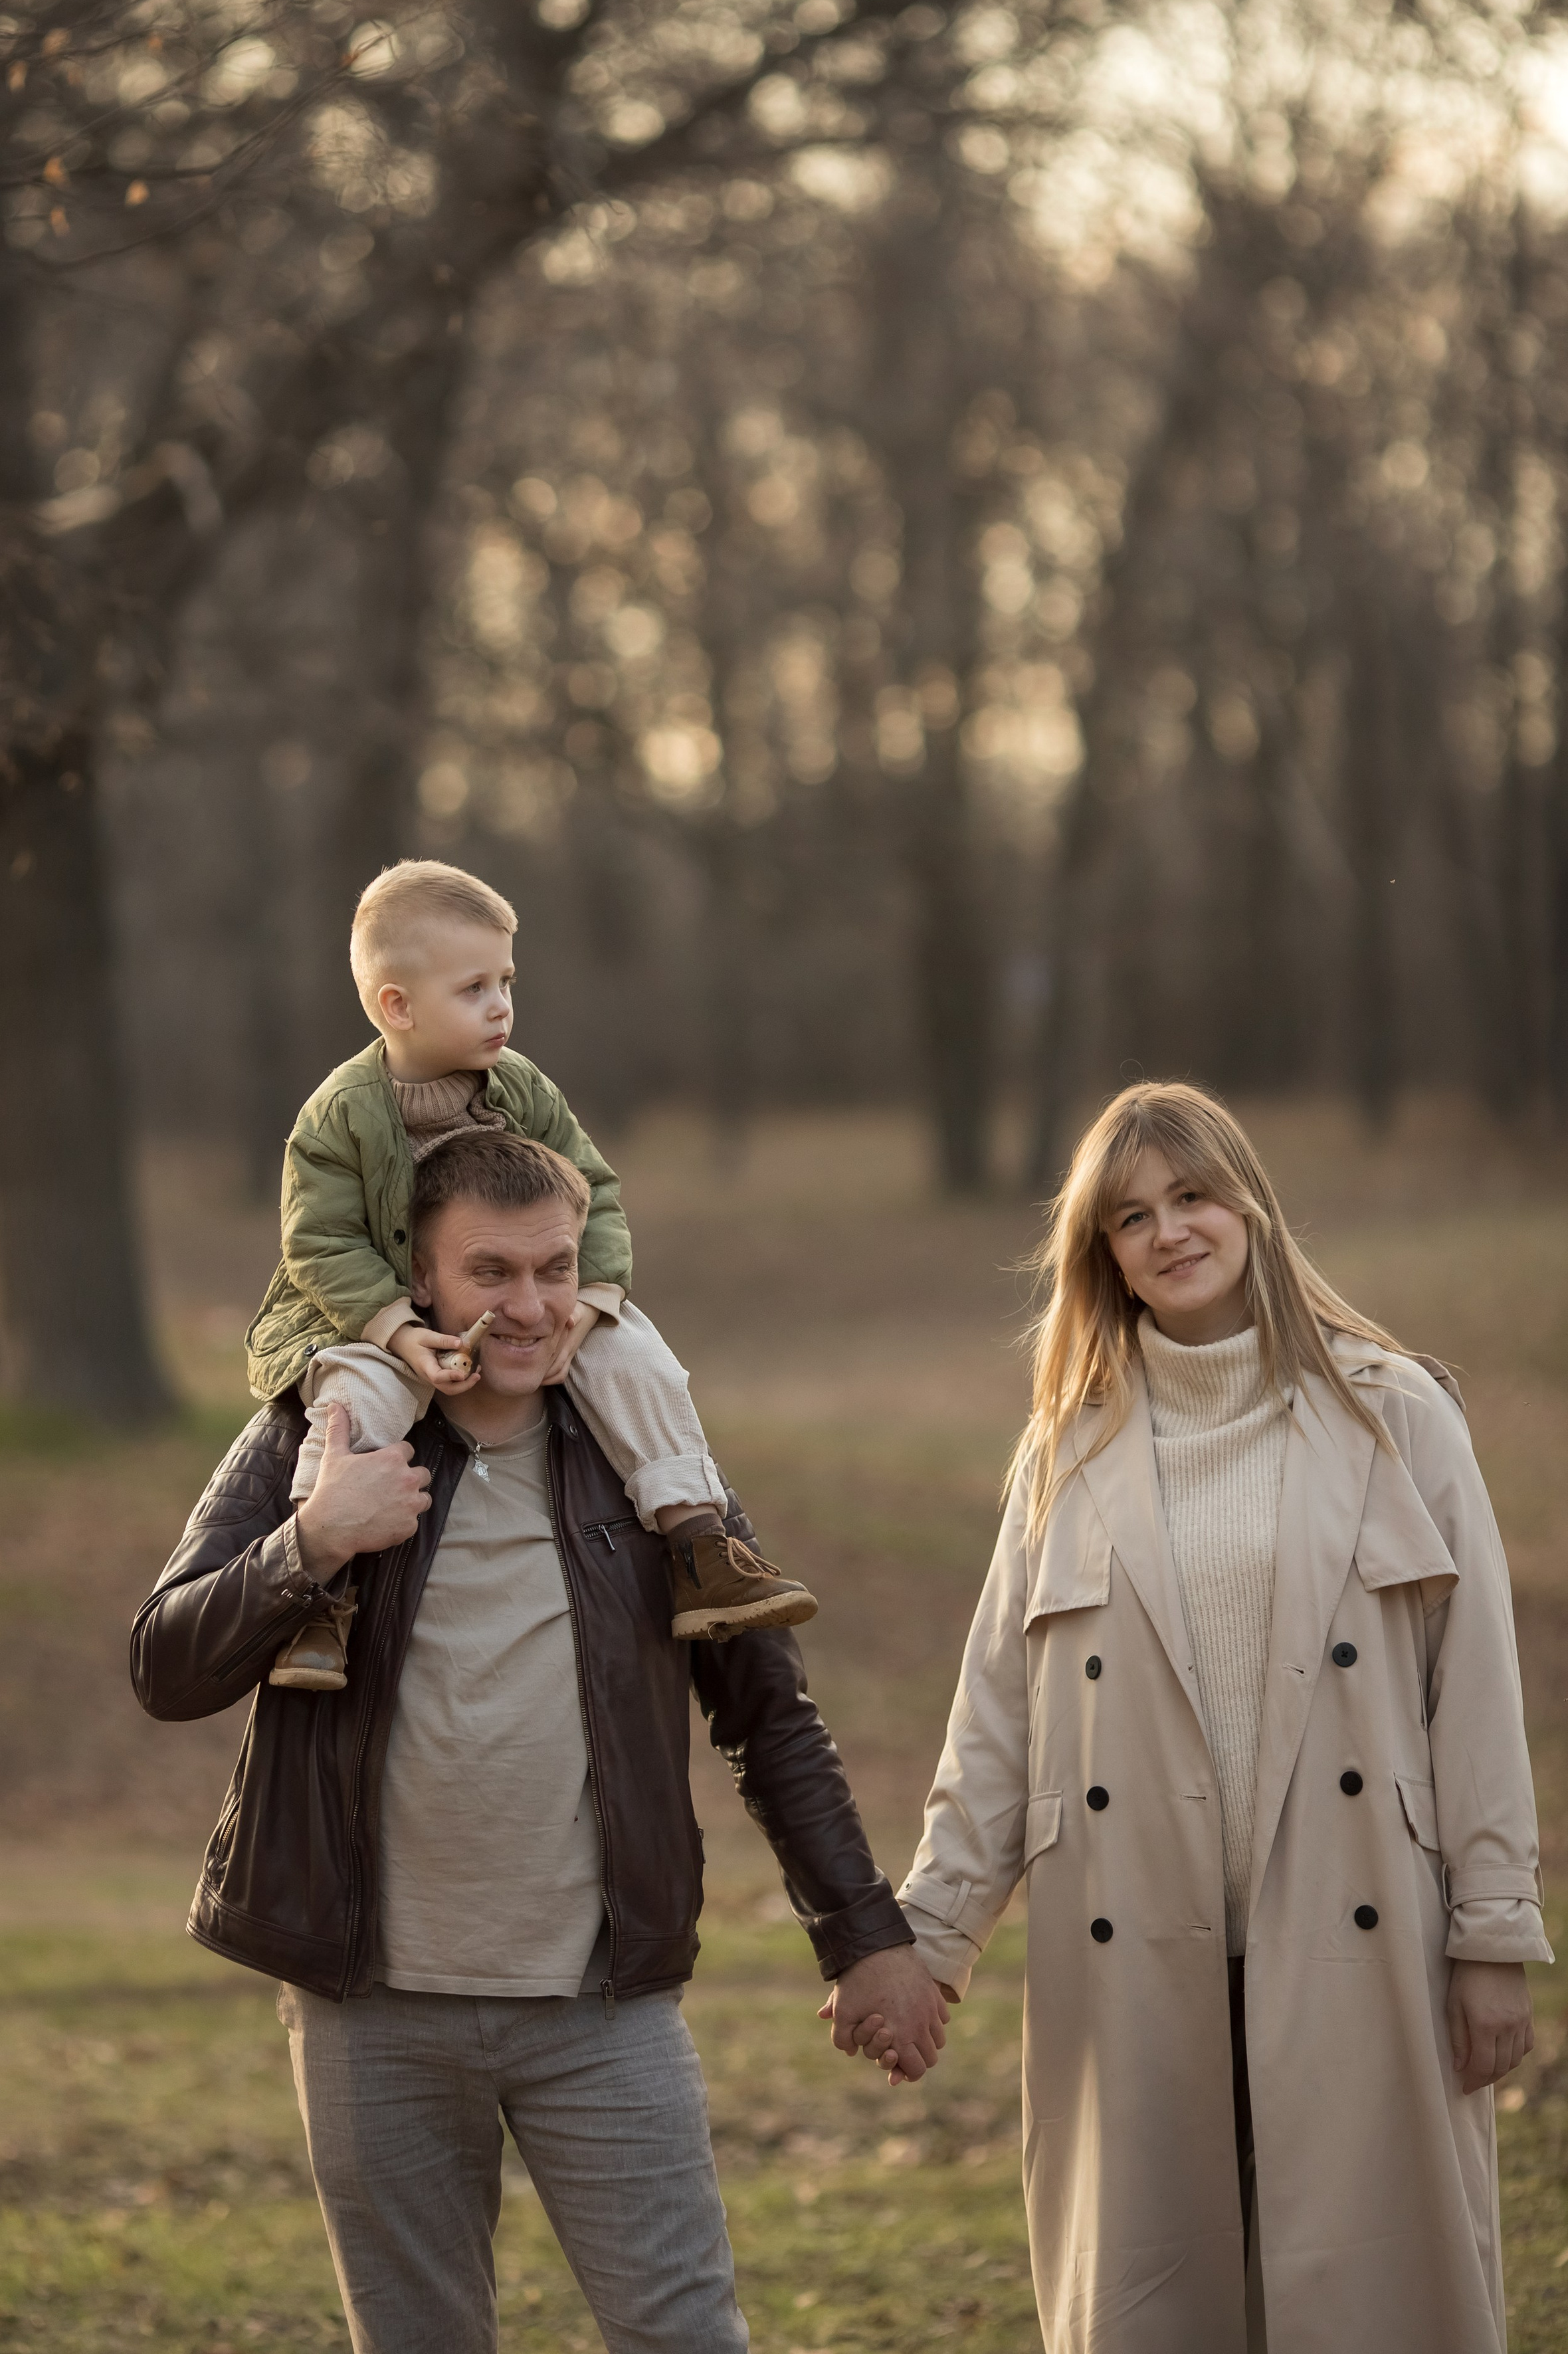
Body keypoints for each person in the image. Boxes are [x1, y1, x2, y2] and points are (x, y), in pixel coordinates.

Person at [132, 1128, 948, 2354]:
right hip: (372, 2008)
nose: (530, 1308)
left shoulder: (644, 1449)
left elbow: (767, 1713)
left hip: (601, 2009)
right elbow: (165, 1663)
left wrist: (863, 1935)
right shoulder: (323, 1430)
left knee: (687, 2335)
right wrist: (310, 1545)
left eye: (555, 1270)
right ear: (418, 1278)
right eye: (491, 1274)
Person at [881, 1081, 1549, 2354]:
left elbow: (1478, 1692)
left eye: (1193, 1196)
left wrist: (1493, 1935)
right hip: (1126, 1949)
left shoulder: (1397, 1414)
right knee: (1161, 2303)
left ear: (1249, 1204)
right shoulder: (1066, 1449)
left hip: (1365, 1942)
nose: (1170, 1231)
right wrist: (931, 1940)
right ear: (1106, 1259)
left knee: (1367, 2298)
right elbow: (998, 1720)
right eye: (1132, 1217)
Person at [245, 855, 813, 1687]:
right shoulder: (338, 1117)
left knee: (636, 1356)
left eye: (507, 980)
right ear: (394, 1006)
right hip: (368, 1313)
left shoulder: (522, 1089)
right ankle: (320, 1599)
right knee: (353, 1402)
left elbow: (598, 1192)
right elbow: (320, 1244)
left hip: (520, 1299)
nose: (502, 1004)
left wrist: (587, 1303)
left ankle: (699, 1543)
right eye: (473, 987)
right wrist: (400, 1334)